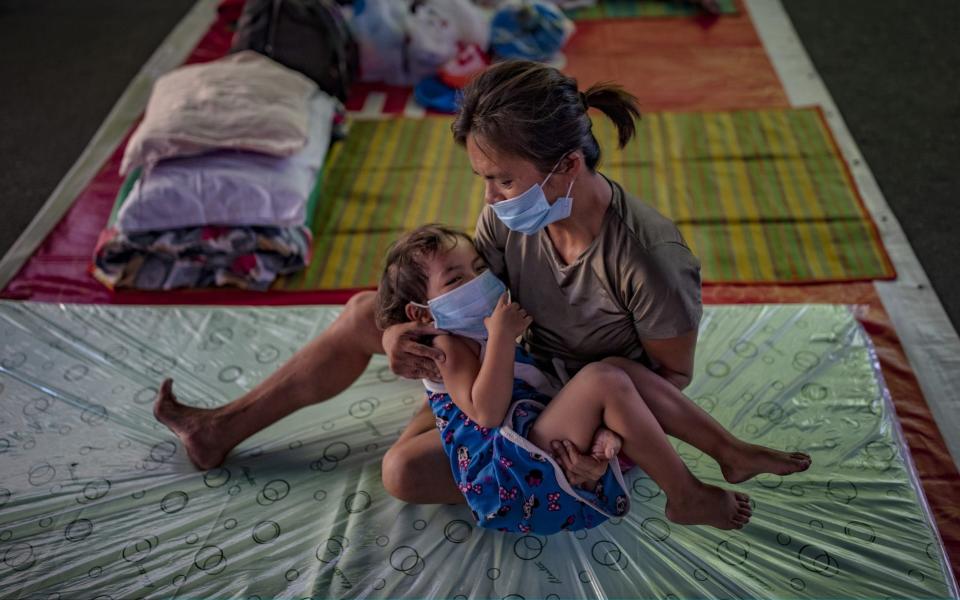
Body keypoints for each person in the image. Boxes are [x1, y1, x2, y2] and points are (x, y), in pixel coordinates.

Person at [154, 59, 810, 508]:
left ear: (567, 167)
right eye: (483, 180)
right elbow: (468, 296)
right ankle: (218, 431)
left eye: (502, 180)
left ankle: (564, 464)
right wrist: (401, 332)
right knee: (364, 312)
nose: (491, 199)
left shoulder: (648, 259)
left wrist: (608, 440)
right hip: (509, 358)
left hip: (582, 402)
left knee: (403, 472)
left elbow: (669, 379)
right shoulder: (511, 213)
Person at [376, 224, 800, 532]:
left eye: (478, 266)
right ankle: (685, 495)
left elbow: (533, 389)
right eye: (456, 279)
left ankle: (728, 450)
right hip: (508, 473)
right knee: (603, 380)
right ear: (422, 313)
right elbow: (486, 412)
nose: (479, 280)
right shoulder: (447, 345)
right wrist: (502, 336)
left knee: (617, 370)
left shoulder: (476, 326)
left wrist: (598, 427)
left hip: (525, 443)